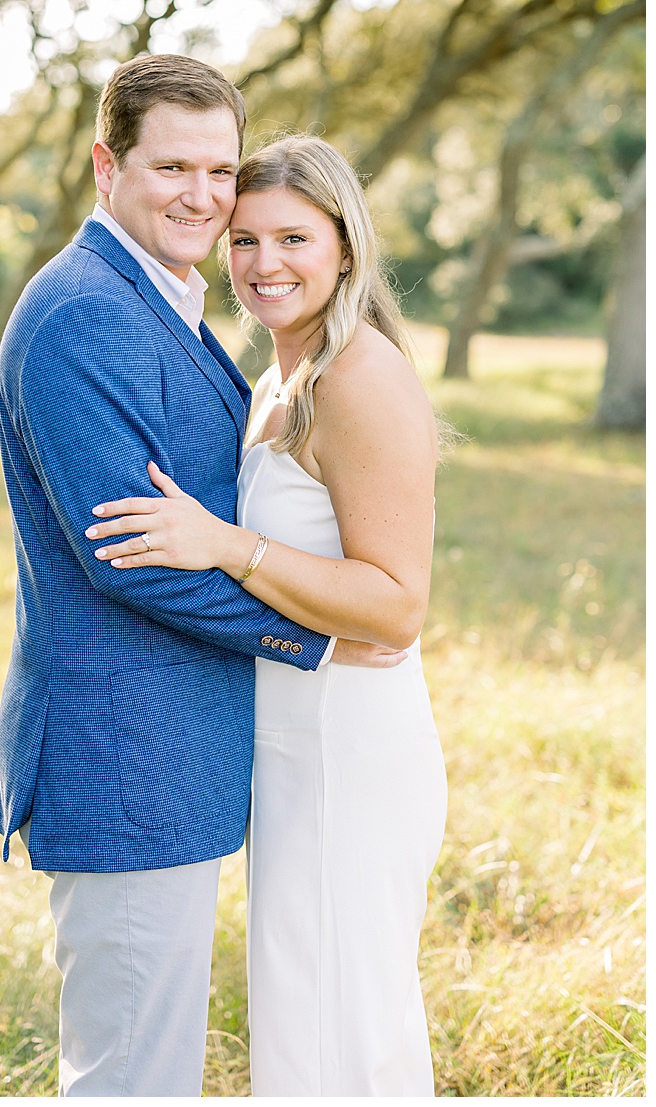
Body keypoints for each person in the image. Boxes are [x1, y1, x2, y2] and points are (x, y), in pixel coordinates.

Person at [0, 53, 398, 1096]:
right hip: (128, 757)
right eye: (173, 165)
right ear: (105, 165)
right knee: (133, 1074)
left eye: (220, 171)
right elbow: (134, 560)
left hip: (182, 752)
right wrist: (314, 637)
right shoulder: (87, 310)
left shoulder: (164, 298)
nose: (204, 197)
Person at [86, 134, 446, 1094]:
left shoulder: (359, 380)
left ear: (345, 248)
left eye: (293, 238)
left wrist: (228, 546)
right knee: (298, 1013)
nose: (263, 265)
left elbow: (397, 607)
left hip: (348, 748)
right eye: (243, 241)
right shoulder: (270, 384)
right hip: (286, 744)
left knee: (341, 1020)